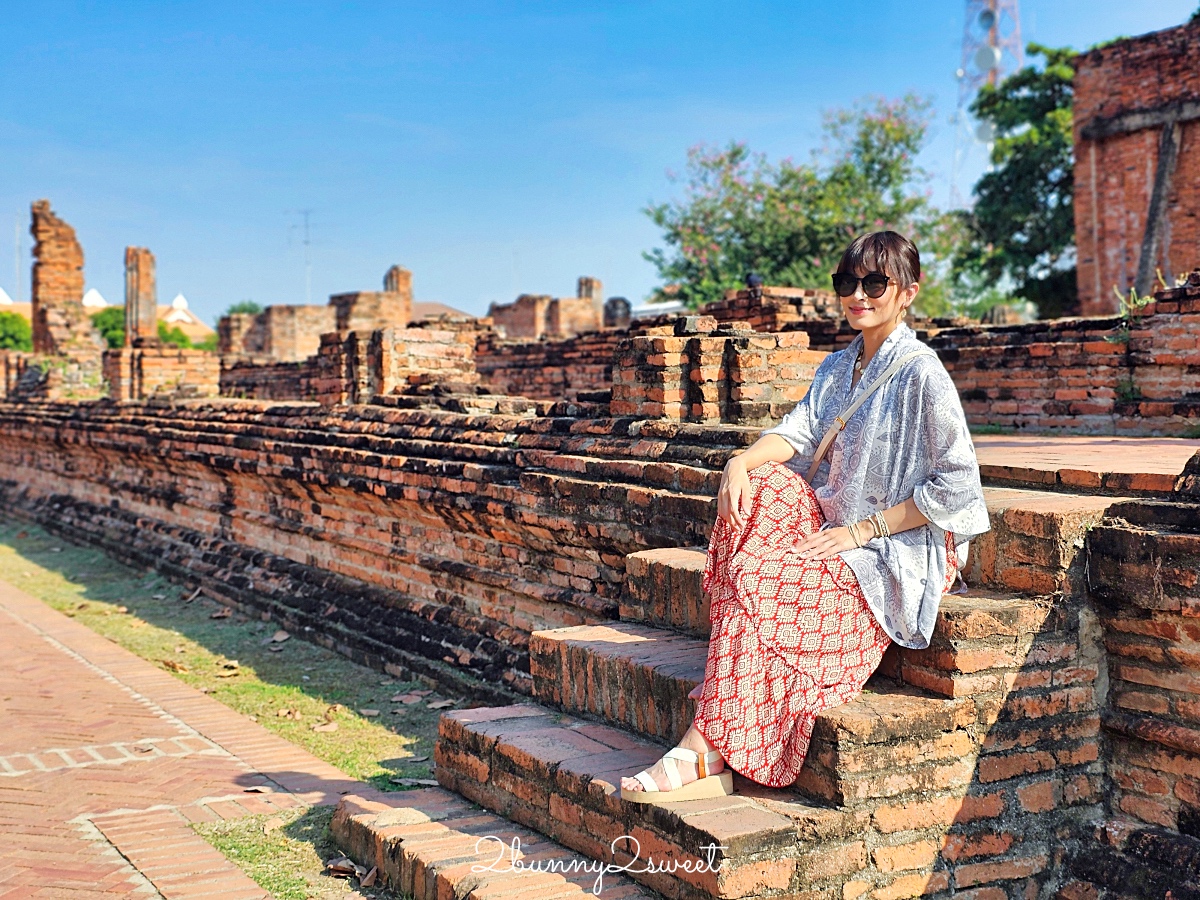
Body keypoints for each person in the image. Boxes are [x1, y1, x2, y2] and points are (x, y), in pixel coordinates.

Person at [621, 231, 990, 804]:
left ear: (908, 293)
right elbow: (798, 432)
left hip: (897, 543)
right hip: (836, 518)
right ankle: (724, 720)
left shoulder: (923, 374)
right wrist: (739, 463)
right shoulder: (839, 366)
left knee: (754, 577)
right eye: (848, 283)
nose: (858, 295)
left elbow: (960, 486)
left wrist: (865, 530)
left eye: (875, 283)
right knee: (761, 485)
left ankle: (702, 749)